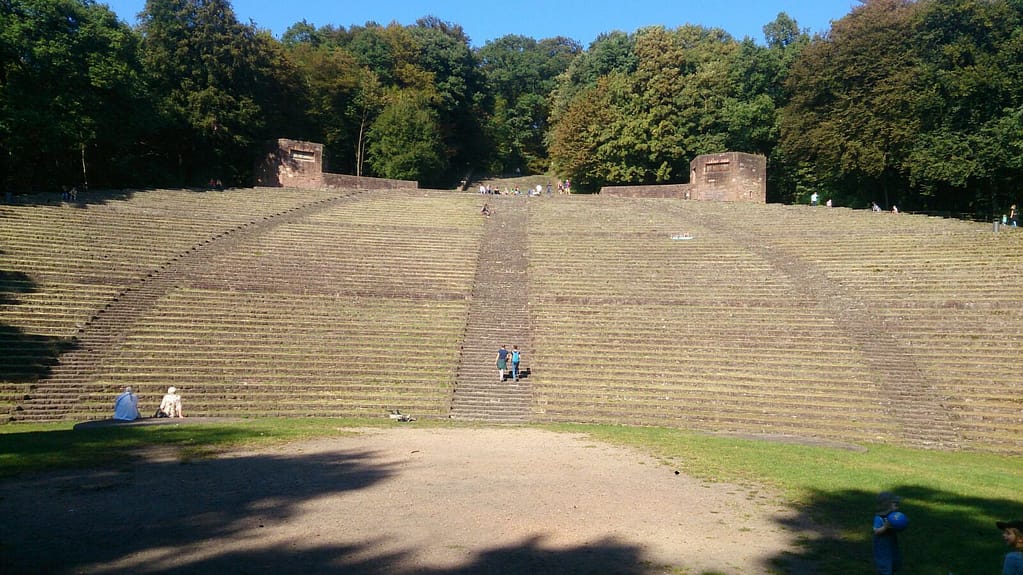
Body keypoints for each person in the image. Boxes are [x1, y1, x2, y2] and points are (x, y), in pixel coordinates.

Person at [872, 491, 903, 575]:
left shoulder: (893, 516)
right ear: (887, 505)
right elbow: (876, 531)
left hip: (891, 546)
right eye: (895, 504)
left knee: (894, 564)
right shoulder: (879, 518)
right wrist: (885, 527)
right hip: (882, 548)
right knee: (884, 567)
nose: (897, 505)